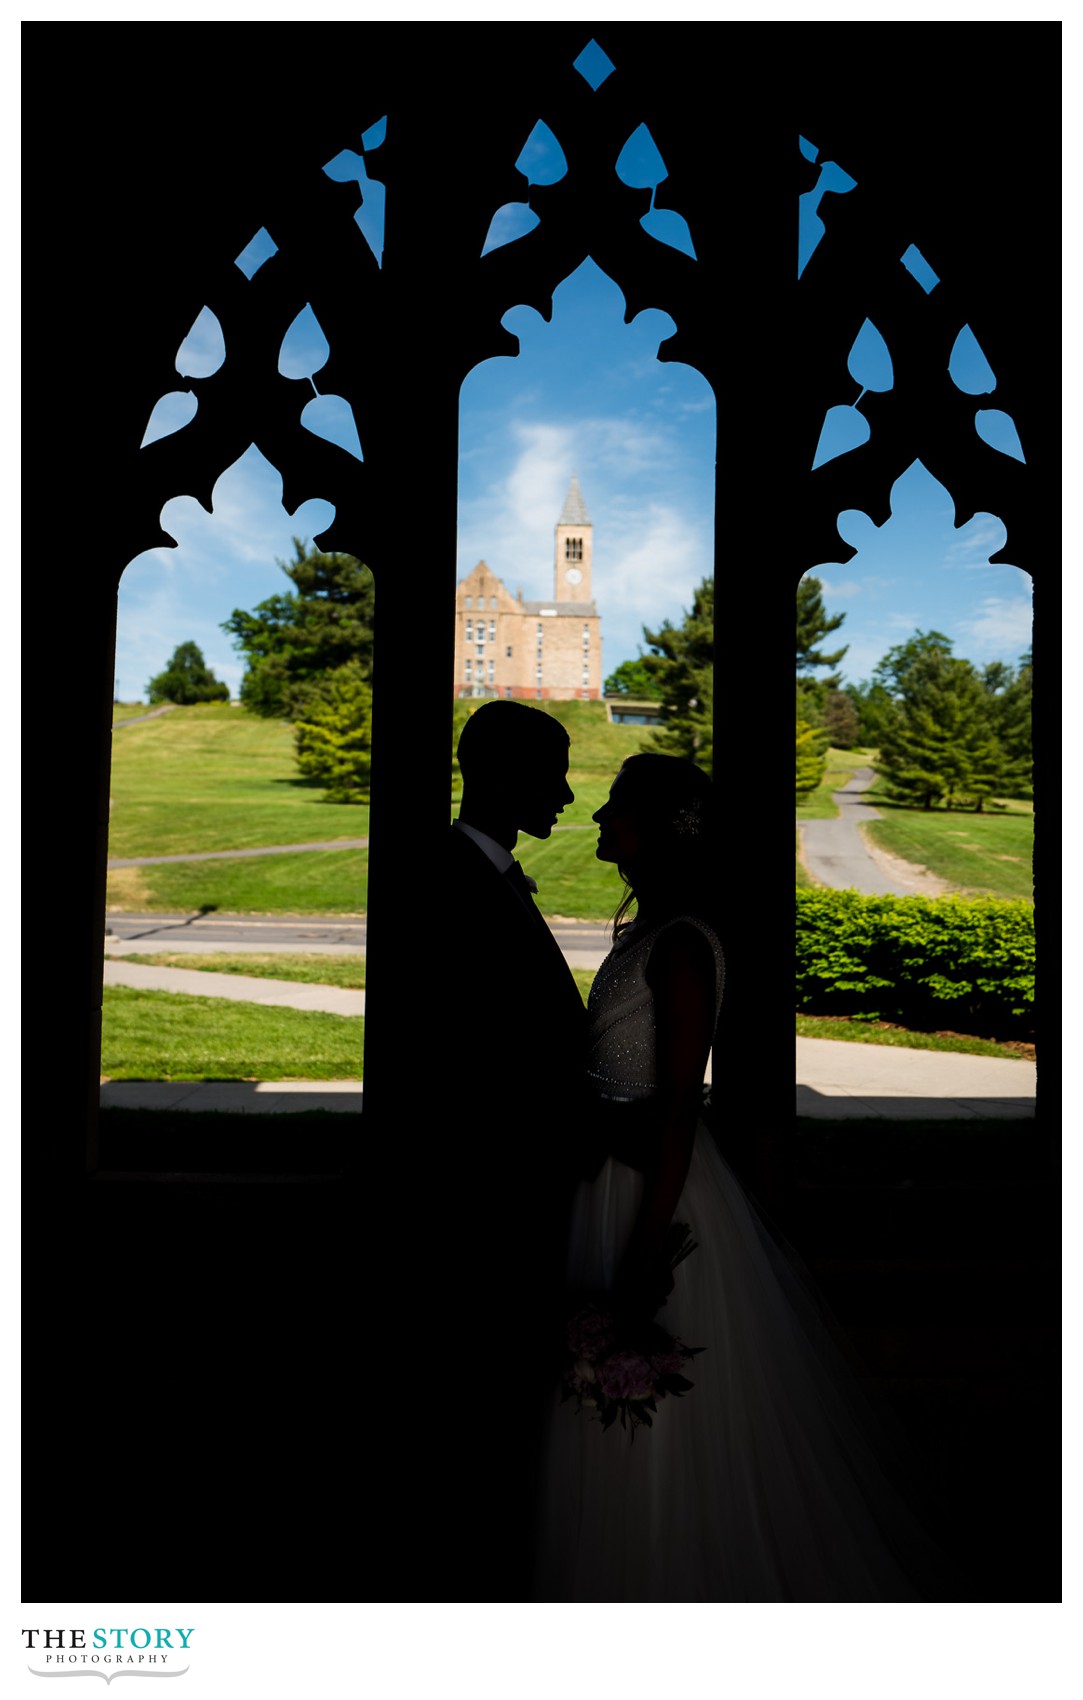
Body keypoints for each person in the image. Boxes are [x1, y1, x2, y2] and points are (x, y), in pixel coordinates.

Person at [532, 752, 957, 1602]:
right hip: (606, 1181)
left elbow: (682, 1104)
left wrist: (648, 1239)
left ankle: (660, 1560)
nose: (597, 817)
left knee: (651, 1376)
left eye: (614, 806)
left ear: (659, 830)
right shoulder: (650, 933)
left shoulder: (684, 946)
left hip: (654, 1190)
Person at [424, 700, 590, 1600]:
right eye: (550, 773)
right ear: (493, 775)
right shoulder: (453, 884)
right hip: (481, 1220)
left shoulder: (485, 875)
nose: (566, 793)